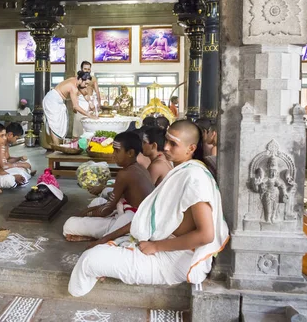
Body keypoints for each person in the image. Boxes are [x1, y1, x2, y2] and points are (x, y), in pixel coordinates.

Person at [68, 120, 230, 297]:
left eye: (173, 144)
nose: (166, 147)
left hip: (175, 259)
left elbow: (206, 235)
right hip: (165, 246)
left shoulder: (194, 178)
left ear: (190, 148)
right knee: (100, 251)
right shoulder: (183, 171)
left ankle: (76, 293)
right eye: (166, 141)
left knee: (88, 260)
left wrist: (156, 246)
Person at [63, 132, 154, 242]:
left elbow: (106, 210)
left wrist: (83, 214)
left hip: (130, 222)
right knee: (96, 202)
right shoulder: (140, 168)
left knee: (69, 225)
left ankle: (100, 235)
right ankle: (98, 232)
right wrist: (89, 212)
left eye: (117, 151)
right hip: (134, 216)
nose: (113, 155)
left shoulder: (125, 174)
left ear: (130, 153)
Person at [43, 71, 95, 146]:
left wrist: (90, 102)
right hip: (52, 100)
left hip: (56, 100)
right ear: (80, 79)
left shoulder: (75, 80)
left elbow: (84, 92)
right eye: (86, 83)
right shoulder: (73, 87)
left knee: (57, 124)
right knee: (55, 125)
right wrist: (90, 116)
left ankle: (56, 146)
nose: (86, 86)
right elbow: (76, 106)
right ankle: (56, 148)